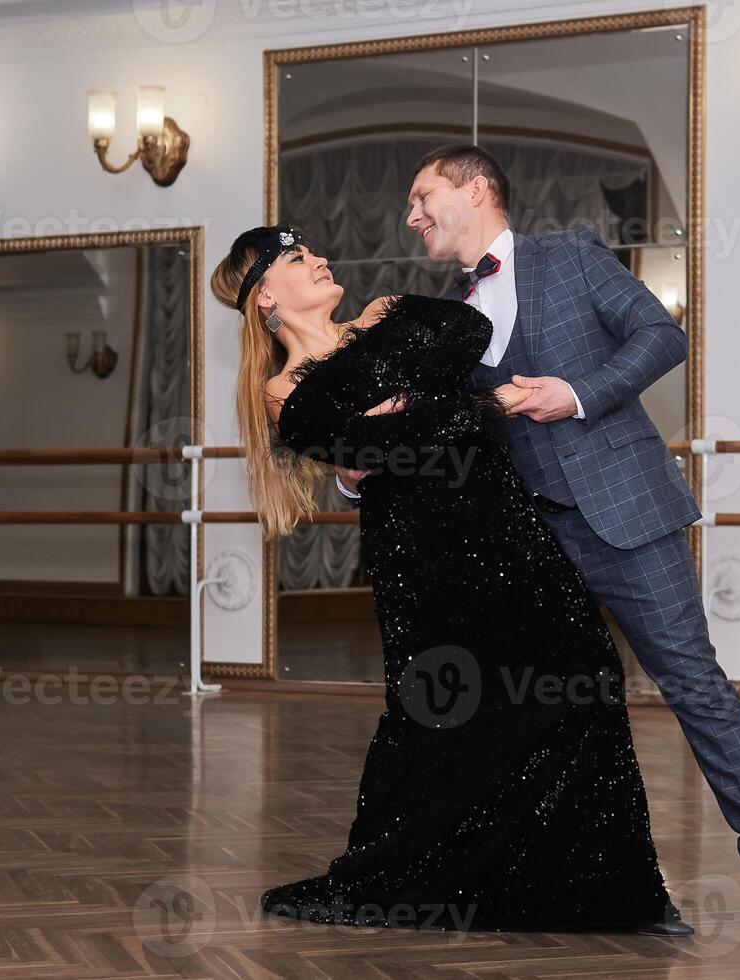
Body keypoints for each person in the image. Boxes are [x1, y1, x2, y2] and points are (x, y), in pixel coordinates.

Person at [337, 144, 740, 943]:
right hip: (519, 541)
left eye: (422, 194)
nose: (411, 214)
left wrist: (575, 394)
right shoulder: (444, 314)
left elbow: (660, 336)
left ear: (475, 189)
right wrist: (356, 470)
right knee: (530, 710)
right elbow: (434, 433)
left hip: (623, 515)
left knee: (694, 685)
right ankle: (544, 877)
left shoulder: (569, 254)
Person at [211, 224, 692, 935]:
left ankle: (614, 892)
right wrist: (451, 409)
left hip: (507, 528)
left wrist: (412, 413)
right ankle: (427, 879)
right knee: (444, 713)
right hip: (423, 562)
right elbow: (368, 445)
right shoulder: (282, 392)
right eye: (295, 258)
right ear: (264, 300)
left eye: (314, 248)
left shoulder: (383, 313)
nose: (317, 258)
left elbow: (467, 333)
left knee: (583, 673)